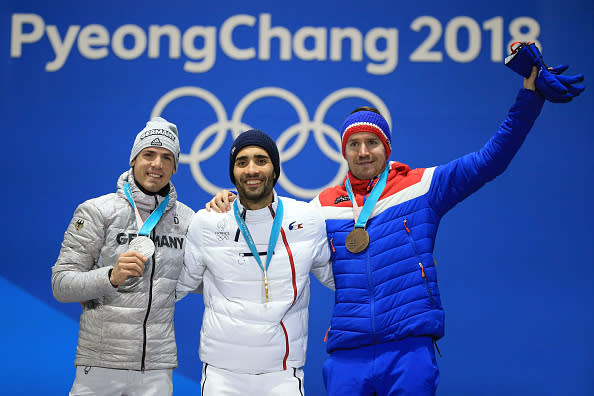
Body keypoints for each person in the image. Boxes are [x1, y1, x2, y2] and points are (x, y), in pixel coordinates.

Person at [207, 63, 585, 395]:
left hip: (408, 348)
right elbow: (270, 222)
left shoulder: (422, 188)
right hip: (348, 353)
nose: (363, 151)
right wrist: (228, 205)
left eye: (372, 142)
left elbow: (490, 160)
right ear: (343, 151)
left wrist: (529, 98)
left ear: (386, 147)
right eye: (354, 144)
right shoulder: (322, 206)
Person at [176, 129, 334, 395]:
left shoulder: (307, 219)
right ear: (232, 173)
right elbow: (178, 284)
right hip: (221, 376)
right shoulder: (208, 223)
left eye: (261, 160)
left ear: (275, 170)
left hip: (282, 375)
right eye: (242, 162)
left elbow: (338, 277)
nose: (251, 169)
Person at [51, 116, 194, 396]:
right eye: (148, 155)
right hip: (101, 365)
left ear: (175, 167)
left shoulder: (188, 220)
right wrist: (111, 277)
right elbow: (60, 284)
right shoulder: (97, 211)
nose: (157, 164)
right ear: (133, 159)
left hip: (156, 369)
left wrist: (224, 216)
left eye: (167, 157)